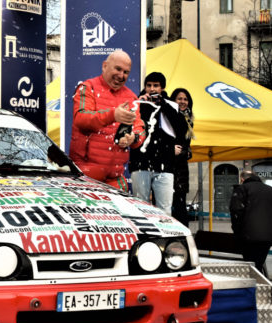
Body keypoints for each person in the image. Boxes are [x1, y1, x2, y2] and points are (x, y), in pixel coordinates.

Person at [69, 49, 145, 191]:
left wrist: (133, 138)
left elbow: (139, 130)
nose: (121, 75)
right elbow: (81, 119)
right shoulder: (88, 88)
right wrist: (112, 115)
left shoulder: (131, 98)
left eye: (126, 72)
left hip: (115, 179)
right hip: (84, 177)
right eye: (118, 69)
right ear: (104, 66)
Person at [129, 72, 187, 214]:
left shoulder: (171, 105)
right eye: (149, 85)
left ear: (162, 88)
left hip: (165, 165)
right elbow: (130, 125)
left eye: (156, 85)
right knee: (141, 207)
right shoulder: (137, 103)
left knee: (164, 209)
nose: (152, 89)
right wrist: (141, 104)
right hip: (141, 163)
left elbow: (181, 129)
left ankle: (164, 236)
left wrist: (162, 104)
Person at [229, 170, 272, 277]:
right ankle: (259, 284)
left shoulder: (241, 189)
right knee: (258, 264)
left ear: (242, 179)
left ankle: (254, 288)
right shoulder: (271, 190)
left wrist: (238, 232)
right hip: (267, 237)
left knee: (251, 265)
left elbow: (236, 212)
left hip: (248, 237)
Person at [169, 88, 194, 225]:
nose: (183, 102)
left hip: (181, 167)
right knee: (167, 204)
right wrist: (169, 148)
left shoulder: (189, 119)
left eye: (185, 99)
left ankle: (183, 237)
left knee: (180, 204)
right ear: (173, 100)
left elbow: (185, 143)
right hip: (169, 166)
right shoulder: (169, 116)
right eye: (179, 99)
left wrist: (187, 151)